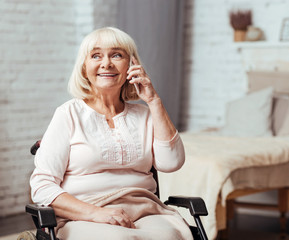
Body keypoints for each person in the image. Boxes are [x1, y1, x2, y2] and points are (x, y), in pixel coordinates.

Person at [30, 27, 192, 240]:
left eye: (117, 55)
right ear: (84, 67)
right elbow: (42, 187)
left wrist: (154, 101)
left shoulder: (146, 114)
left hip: (145, 211)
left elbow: (171, 162)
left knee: (170, 236)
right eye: (96, 55)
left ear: (132, 65)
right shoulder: (68, 114)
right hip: (84, 215)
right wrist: (96, 213)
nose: (106, 63)